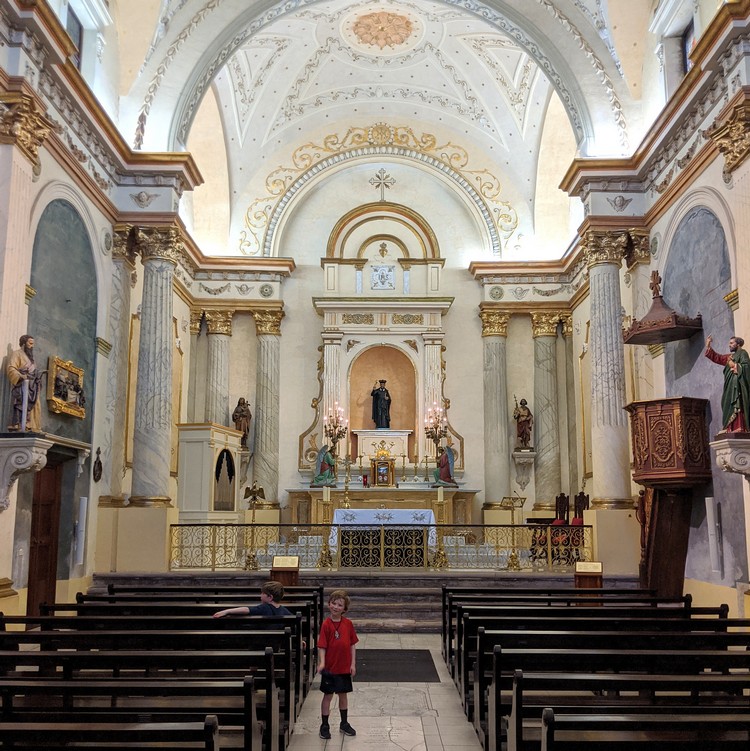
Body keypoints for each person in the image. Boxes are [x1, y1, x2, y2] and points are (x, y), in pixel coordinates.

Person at [317, 589, 357, 739]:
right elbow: (322, 646)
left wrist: (353, 664)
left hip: (344, 667)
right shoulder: (326, 624)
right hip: (330, 668)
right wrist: (322, 663)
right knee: (327, 696)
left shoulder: (348, 624)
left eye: (339, 605)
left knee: (343, 695)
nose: (335, 607)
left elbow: (352, 644)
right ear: (329, 604)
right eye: (333, 603)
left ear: (344, 609)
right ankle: (325, 725)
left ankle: (344, 723)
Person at [705, 334, 750, 432]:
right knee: (726, 402)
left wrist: (735, 366)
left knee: (737, 403)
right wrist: (708, 346)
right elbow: (718, 358)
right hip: (729, 386)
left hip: (737, 386)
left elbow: (747, 367)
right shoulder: (730, 357)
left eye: (731, 343)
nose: (729, 345)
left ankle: (739, 426)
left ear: (738, 344)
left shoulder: (743, 353)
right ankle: (729, 427)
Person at [7, 334, 43, 432]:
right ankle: (21, 425)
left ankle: (32, 426)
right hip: (23, 385)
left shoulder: (32, 359)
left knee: (36, 405)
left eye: (33, 344)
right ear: (23, 344)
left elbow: (33, 371)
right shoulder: (17, 354)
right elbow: (11, 368)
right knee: (22, 404)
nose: (32, 346)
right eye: (30, 343)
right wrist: (21, 376)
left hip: (33, 387)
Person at [213, 580, 291, 618]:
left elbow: (246, 609)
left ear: (270, 597)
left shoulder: (264, 607)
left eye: (263, 593)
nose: (260, 595)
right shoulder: (284, 611)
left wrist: (227, 611)